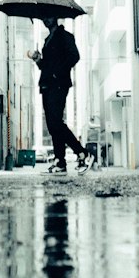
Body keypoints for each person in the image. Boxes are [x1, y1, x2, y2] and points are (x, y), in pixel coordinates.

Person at [28, 16, 88, 174]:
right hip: (46, 85)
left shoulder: (65, 36)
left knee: (56, 122)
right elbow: (45, 66)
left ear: (55, 17)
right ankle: (60, 161)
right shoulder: (47, 40)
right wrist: (38, 59)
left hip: (59, 84)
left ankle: (82, 153)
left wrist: (57, 73)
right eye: (44, 18)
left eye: (48, 16)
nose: (45, 20)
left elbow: (74, 56)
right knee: (52, 125)